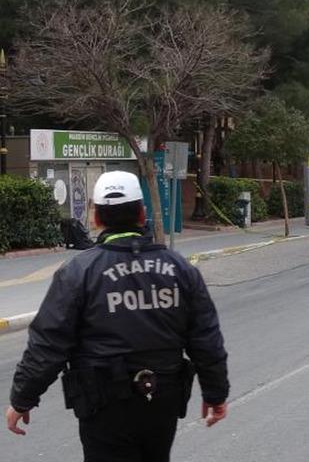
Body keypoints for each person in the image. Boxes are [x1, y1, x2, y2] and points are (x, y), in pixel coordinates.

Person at [6, 171, 229, 462]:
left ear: (96, 217)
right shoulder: (180, 269)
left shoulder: (78, 272)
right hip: (162, 401)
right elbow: (205, 339)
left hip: (104, 405)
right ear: (141, 213)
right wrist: (216, 394)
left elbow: (48, 343)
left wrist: (22, 399)